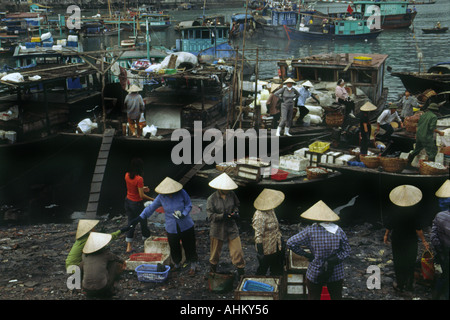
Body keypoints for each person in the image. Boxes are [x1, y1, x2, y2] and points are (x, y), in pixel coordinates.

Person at [129, 177, 198, 275]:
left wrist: (183, 213)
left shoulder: (181, 192)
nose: (169, 194)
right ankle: (177, 264)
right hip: (171, 226)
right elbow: (151, 208)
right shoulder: (161, 197)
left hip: (186, 224)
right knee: (174, 245)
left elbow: (188, 205)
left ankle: (193, 266)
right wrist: (140, 217)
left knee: (189, 245)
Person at [287, 200, 351, 300]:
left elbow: (290, 242)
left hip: (315, 270)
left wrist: (306, 255)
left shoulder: (310, 231)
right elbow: (347, 251)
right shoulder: (339, 231)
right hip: (336, 271)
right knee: (336, 297)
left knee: (313, 297)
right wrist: (336, 258)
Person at [383, 185, 430, 293]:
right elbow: (418, 229)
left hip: (397, 239)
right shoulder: (415, 211)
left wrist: (386, 235)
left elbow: (389, 225)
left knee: (399, 261)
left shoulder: (394, 209)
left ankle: (400, 284)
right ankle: (409, 285)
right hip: (411, 240)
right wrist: (424, 241)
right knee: (410, 261)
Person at [206, 173, 245, 277]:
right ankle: (212, 271)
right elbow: (211, 216)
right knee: (215, 252)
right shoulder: (212, 199)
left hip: (231, 227)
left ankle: (241, 272)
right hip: (217, 229)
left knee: (237, 251)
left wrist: (235, 213)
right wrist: (222, 216)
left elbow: (237, 205)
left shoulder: (232, 195)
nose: (228, 191)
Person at [81, 232, 125, 298]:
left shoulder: (84, 256)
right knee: (114, 263)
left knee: (83, 264)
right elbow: (117, 258)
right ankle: (111, 288)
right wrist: (124, 262)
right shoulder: (106, 254)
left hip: (87, 288)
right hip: (102, 288)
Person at [252, 188, 285, 276]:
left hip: (276, 245)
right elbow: (258, 236)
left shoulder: (271, 210)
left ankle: (277, 286)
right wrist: (261, 253)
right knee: (263, 269)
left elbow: (276, 227)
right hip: (266, 249)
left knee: (277, 269)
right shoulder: (260, 216)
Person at [124, 157, 154, 253]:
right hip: (136, 204)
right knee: (143, 223)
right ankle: (147, 244)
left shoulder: (127, 175)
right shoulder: (139, 178)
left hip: (128, 201)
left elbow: (132, 187)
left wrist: (142, 188)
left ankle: (128, 246)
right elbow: (141, 196)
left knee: (131, 223)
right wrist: (153, 199)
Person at [431, 180, 450, 300]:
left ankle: (435, 296)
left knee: (445, 275)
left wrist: (441, 250)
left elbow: (433, 237)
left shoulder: (439, 216)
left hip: (444, 253)